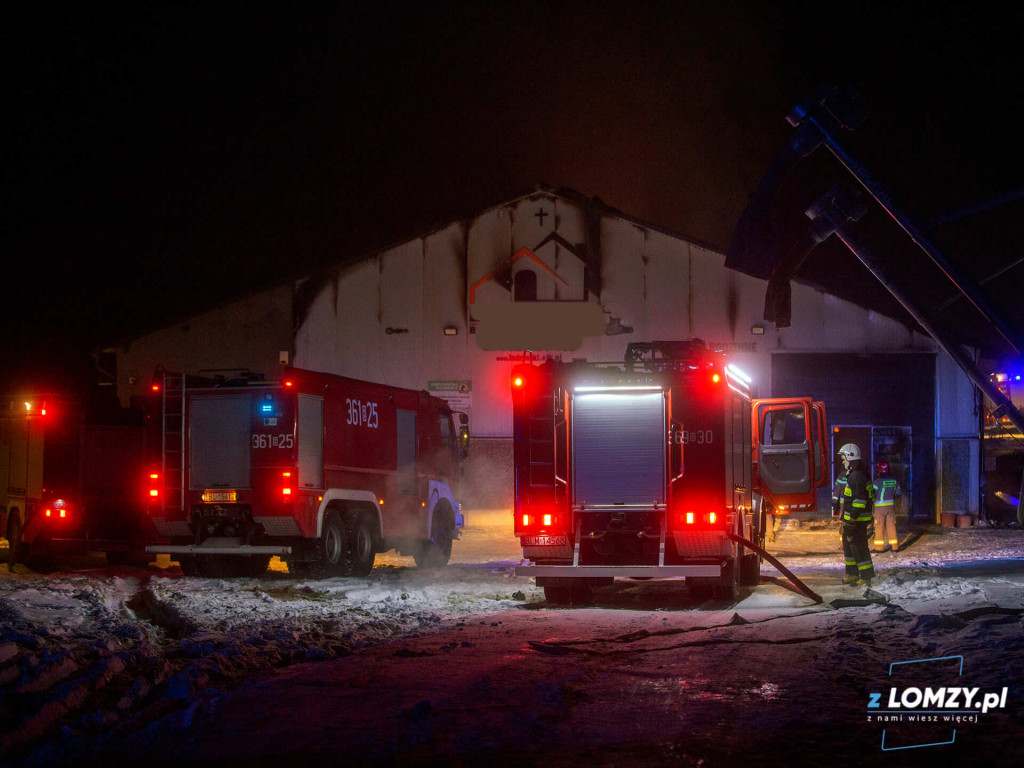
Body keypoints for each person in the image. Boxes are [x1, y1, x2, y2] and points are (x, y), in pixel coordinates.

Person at [837, 443, 875, 586]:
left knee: (859, 547)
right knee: (848, 545)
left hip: (858, 519)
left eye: (843, 458)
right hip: (852, 519)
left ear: (850, 457)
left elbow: (859, 500)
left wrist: (852, 519)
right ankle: (852, 573)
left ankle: (866, 576)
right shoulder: (854, 474)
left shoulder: (857, 476)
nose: (842, 461)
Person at [872, 461, 901, 552]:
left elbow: (872, 493)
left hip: (879, 508)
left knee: (879, 526)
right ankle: (894, 547)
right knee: (891, 525)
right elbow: (898, 493)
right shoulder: (894, 481)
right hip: (890, 507)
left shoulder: (877, 482)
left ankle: (879, 548)